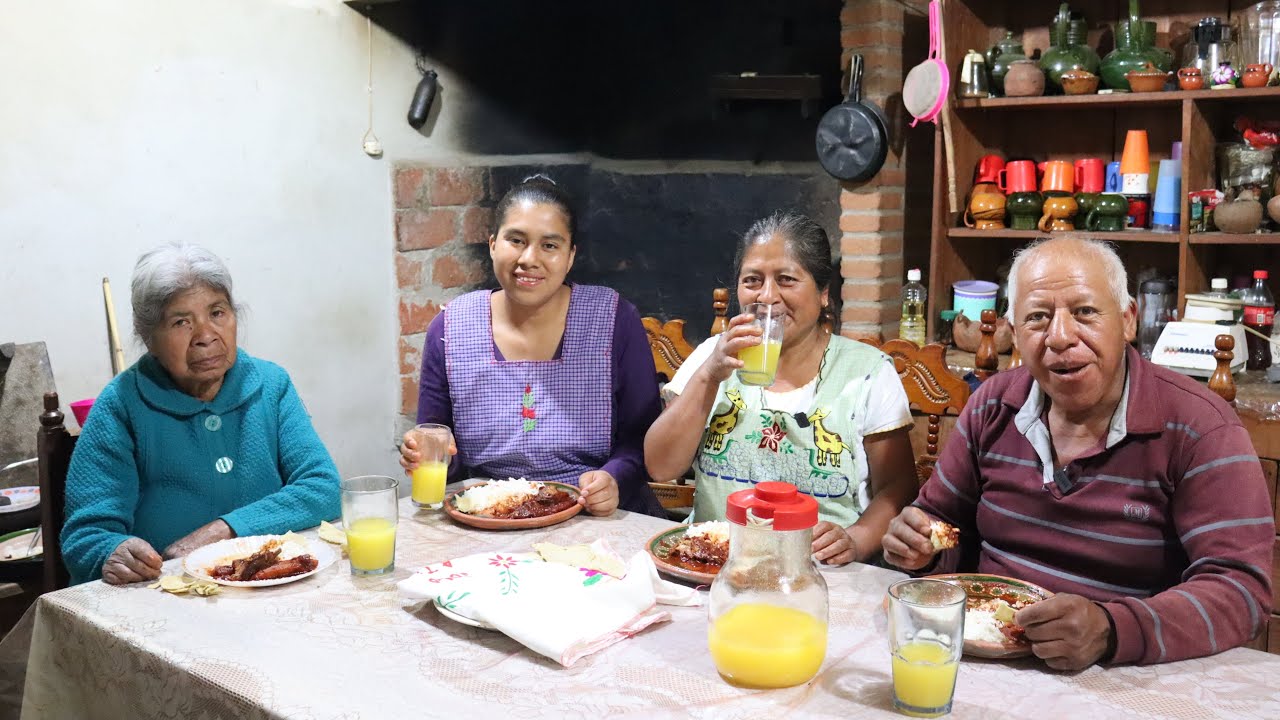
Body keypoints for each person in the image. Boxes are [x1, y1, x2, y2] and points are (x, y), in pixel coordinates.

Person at [883, 237, 1274, 669]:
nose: (1061, 337)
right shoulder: (992, 407)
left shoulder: (1199, 427)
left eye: (1085, 312)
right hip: (986, 656)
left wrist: (1111, 629)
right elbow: (947, 525)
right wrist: (925, 550)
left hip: (1123, 675)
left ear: (1128, 320)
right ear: (1013, 335)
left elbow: (1240, 590)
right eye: (1037, 318)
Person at [645, 211, 918, 565]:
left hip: (818, 571)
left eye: (787, 279)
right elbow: (660, 467)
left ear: (823, 293)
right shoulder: (711, 360)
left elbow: (897, 486)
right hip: (713, 562)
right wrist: (709, 375)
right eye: (752, 280)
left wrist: (856, 540)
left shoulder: (865, 373)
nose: (767, 296)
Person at [61, 244, 341, 585]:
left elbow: (323, 487)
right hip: (167, 600)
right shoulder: (121, 406)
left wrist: (226, 529)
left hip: (270, 587)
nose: (206, 336)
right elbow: (86, 537)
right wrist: (113, 552)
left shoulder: (271, 385)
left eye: (218, 313)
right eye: (181, 322)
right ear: (149, 337)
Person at [401, 175, 664, 517]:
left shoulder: (615, 321)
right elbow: (440, 449)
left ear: (570, 256)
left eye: (550, 246)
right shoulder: (449, 329)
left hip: (594, 513)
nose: (529, 258)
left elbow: (642, 439)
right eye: (516, 240)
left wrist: (614, 479)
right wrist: (423, 454)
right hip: (489, 513)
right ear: (493, 244)